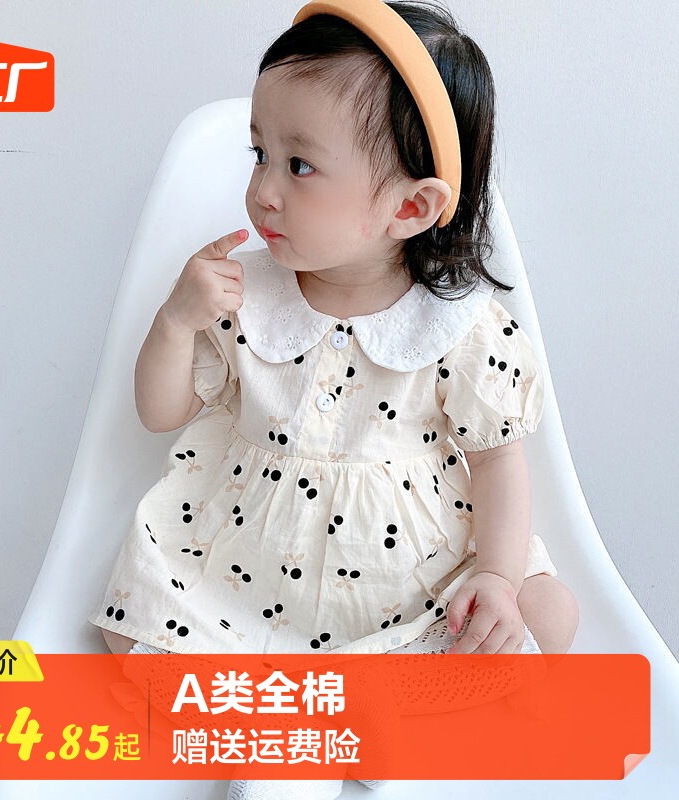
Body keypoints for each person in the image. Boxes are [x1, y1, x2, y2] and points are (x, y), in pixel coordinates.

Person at [88, 1, 579, 797]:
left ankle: (354, 719)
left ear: (410, 207)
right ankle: (307, 731)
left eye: (299, 166)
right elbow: (160, 412)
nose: (262, 191)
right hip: (253, 563)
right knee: (135, 627)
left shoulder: (456, 326)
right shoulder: (247, 294)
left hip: (405, 576)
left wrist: (495, 574)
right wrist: (175, 322)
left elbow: (497, 462)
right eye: (260, 154)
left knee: (546, 612)